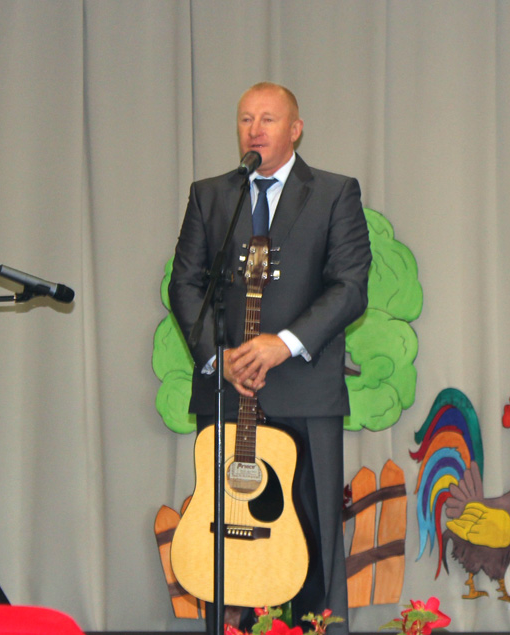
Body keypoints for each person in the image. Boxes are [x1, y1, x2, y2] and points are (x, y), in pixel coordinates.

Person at [169, 82, 371, 634]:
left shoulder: (334, 193)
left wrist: (283, 343)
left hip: (306, 391)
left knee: (313, 540)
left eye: (268, 119)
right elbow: (184, 284)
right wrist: (221, 357)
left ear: (295, 129)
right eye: (245, 119)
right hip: (227, 390)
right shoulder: (211, 196)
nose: (254, 130)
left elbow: (350, 287)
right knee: (225, 544)